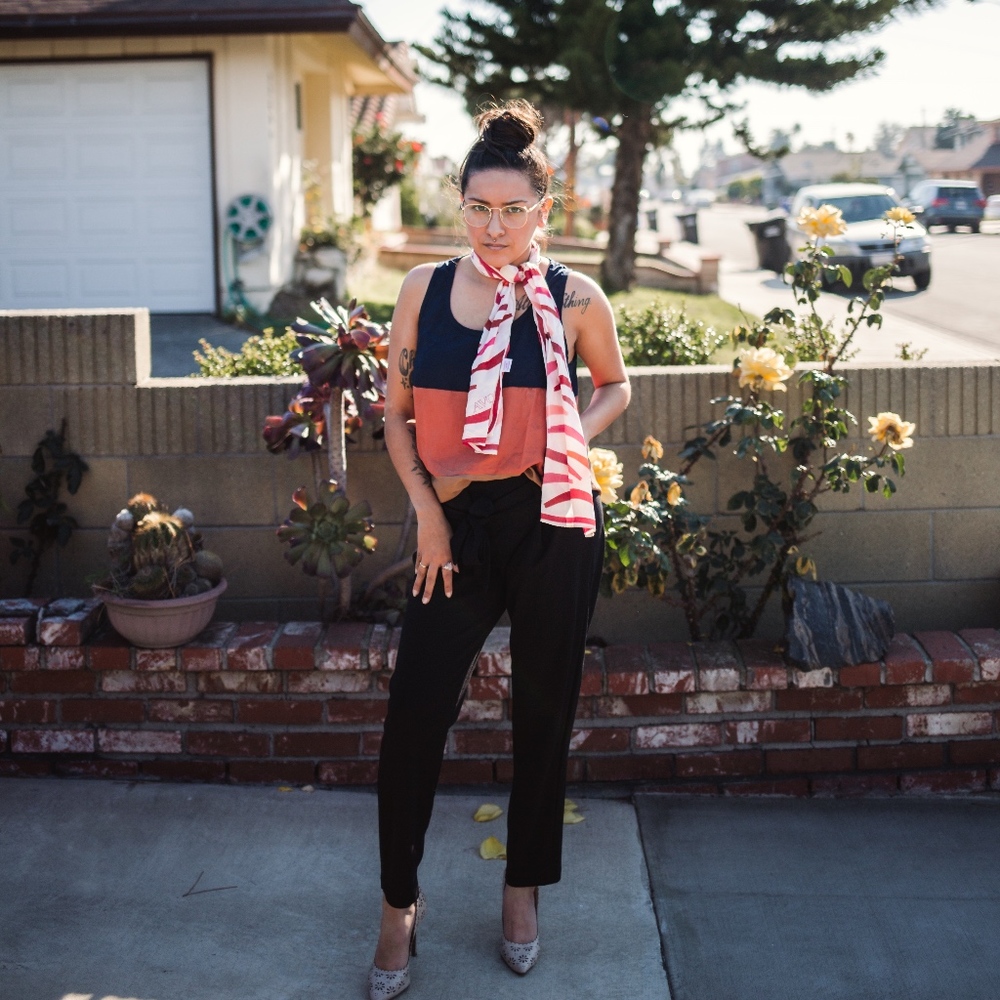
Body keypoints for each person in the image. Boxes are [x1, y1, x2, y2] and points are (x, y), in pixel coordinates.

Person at [368, 99, 630, 1000]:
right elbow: (396, 417)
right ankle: (399, 902)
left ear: (544, 211)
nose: (495, 224)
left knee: (543, 715)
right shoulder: (423, 292)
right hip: (456, 524)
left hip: (554, 522)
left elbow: (616, 386)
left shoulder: (574, 297)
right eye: (478, 206)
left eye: (513, 209)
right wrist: (430, 518)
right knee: (413, 720)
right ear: (461, 204)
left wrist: (568, 438)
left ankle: (522, 890)